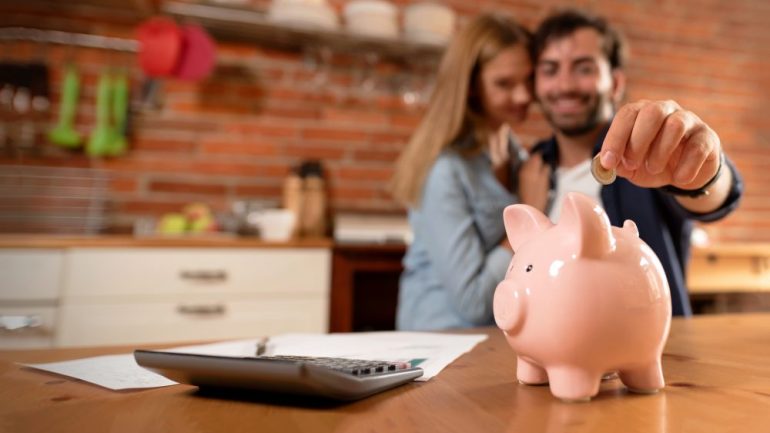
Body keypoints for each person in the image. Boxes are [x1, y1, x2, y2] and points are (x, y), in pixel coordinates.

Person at [522, 8, 743, 316]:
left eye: (584, 69)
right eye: (550, 69)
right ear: (535, 84)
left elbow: (714, 197)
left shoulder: (646, 150)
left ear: (614, 83)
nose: (565, 85)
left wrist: (705, 172)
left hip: (645, 351)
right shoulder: (528, 166)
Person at [390, 13, 540, 330]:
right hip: (438, 346)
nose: (525, 96)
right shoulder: (444, 170)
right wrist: (531, 213)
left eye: (529, 79)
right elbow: (473, 303)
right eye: (504, 84)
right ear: (471, 87)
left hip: (491, 341)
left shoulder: (518, 157)